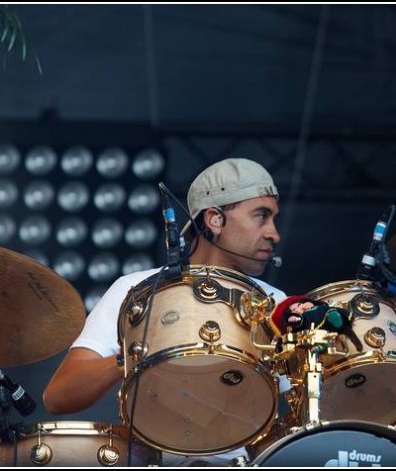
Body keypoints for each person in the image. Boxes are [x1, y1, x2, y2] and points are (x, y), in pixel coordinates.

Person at [42, 157, 286, 465]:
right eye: (261, 217)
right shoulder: (136, 291)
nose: (273, 234)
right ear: (215, 219)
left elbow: (308, 419)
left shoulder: (275, 303)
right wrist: (134, 356)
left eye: (274, 220)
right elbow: (59, 396)